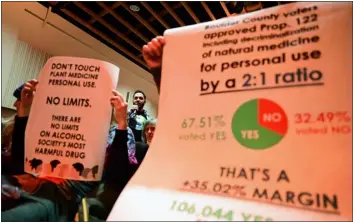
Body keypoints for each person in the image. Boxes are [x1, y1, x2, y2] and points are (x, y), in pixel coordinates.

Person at [1, 79, 133, 221]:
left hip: (56, 200)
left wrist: (122, 124)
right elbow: (19, 162)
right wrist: (24, 110)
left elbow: (116, 177)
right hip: (24, 184)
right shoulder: (55, 129)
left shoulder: (104, 142)